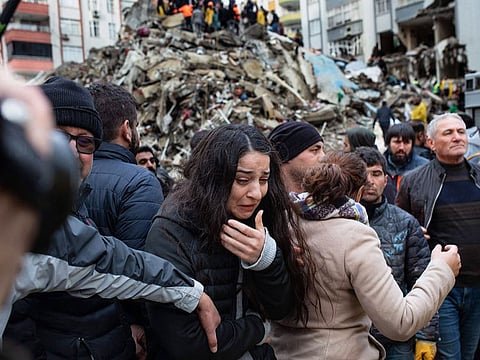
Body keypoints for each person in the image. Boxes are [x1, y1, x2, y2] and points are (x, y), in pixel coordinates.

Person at [4, 77, 220, 359]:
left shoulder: (73, 206)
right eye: (56, 136)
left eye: (85, 142)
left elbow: (110, 260)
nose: (71, 152)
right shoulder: (21, 219)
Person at [144, 124, 317, 359]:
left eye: (264, 179)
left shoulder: (261, 219)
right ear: (213, 178)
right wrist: (259, 328)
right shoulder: (172, 231)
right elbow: (189, 343)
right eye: (243, 180)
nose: (256, 192)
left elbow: (280, 308)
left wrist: (267, 260)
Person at [270, 150, 461, 360]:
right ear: (359, 193)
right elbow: (400, 322)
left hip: (283, 352)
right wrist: (441, 270)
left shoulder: (283, 221)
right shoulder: (355, 237)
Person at [396, 113, 480, 359]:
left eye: (461, 132)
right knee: (449, 356)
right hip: (442, 287)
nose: (457, 137)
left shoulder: (478, 176)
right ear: (431, 143)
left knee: (470, 353)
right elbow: (397, 224)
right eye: (448, 133)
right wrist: (412, 230)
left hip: (477, 287)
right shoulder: (414, 181)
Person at [355, 147, 437, 360]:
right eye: (363, 174)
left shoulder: (406, 223)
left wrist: (426, 336)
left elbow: (422, 281)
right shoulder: (339, 222)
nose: (370, 181)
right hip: (353, 336)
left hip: (397, 334)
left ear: (386, 179)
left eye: (376, 173)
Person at [86, 82, 164, 250]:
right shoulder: (141, 183)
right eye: (136, 126)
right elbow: (141, 263)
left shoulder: (66, 173)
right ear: (126, 129)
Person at [267, 121, 325, 193]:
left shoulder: (327, 199)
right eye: (315, 150)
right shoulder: (259, 200)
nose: (323, 157)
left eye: (323, 150)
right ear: (285, 154)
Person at [383, 123, 429, 203]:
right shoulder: (379, 166)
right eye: (397, 142)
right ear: (388, 144)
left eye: (406, 143)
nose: (401, 147)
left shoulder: (423, 167)